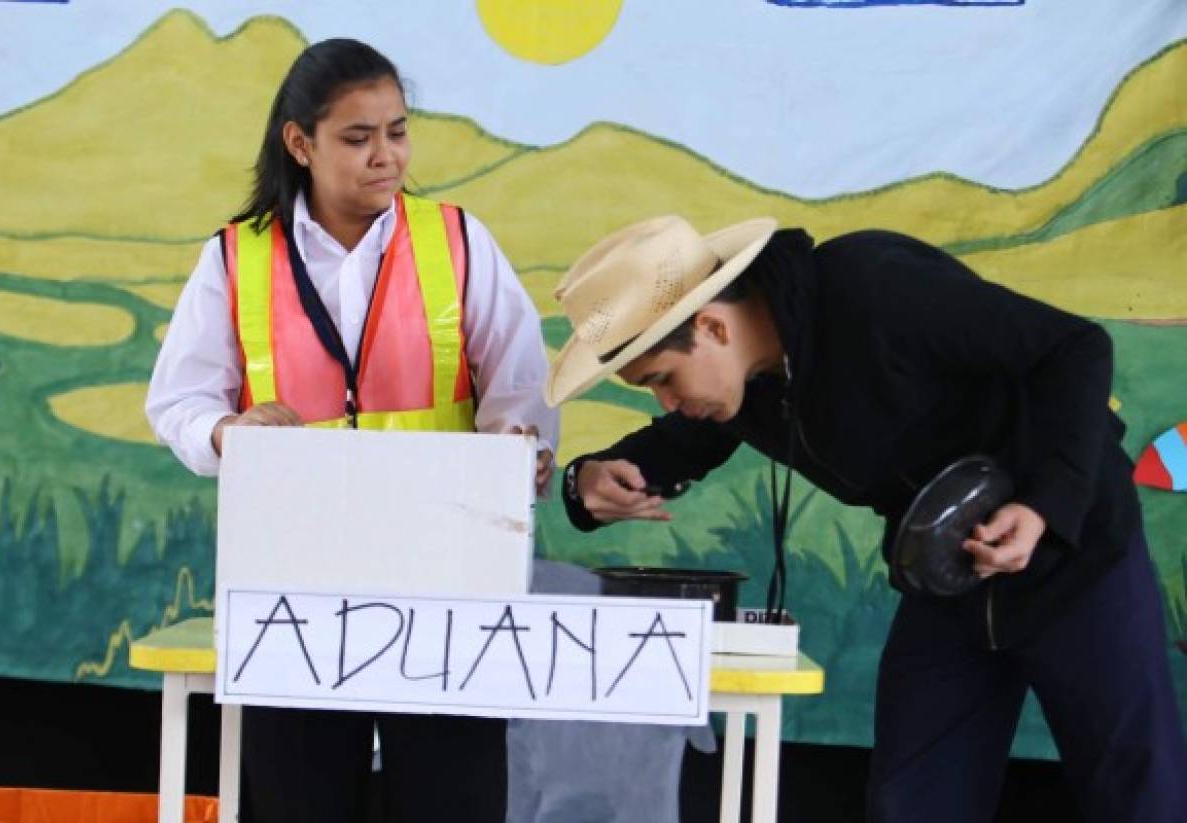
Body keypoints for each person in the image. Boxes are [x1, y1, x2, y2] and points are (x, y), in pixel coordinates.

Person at [544, 214, 1187, 822]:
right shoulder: (749, 381)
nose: (667, 401)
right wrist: (589, 478)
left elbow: (1073, 348)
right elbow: (682, 441)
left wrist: (1045, 505)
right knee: (914, 801)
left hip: (1075, 557)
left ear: (713, 328)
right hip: (947, 580)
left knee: (1138, 791)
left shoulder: (874, 287)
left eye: (664, 378)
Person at [146, 38, 557, 823]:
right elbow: (179, 402)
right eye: (358, 137)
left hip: (451, 580)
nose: (386, 156)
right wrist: (228, 431)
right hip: (294, 586)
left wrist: (523, 450)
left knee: (453, 801)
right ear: (299, 144)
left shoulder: (460, 242)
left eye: (397, 132)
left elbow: (522, 388)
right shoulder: (235, 257)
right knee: (301, 800)